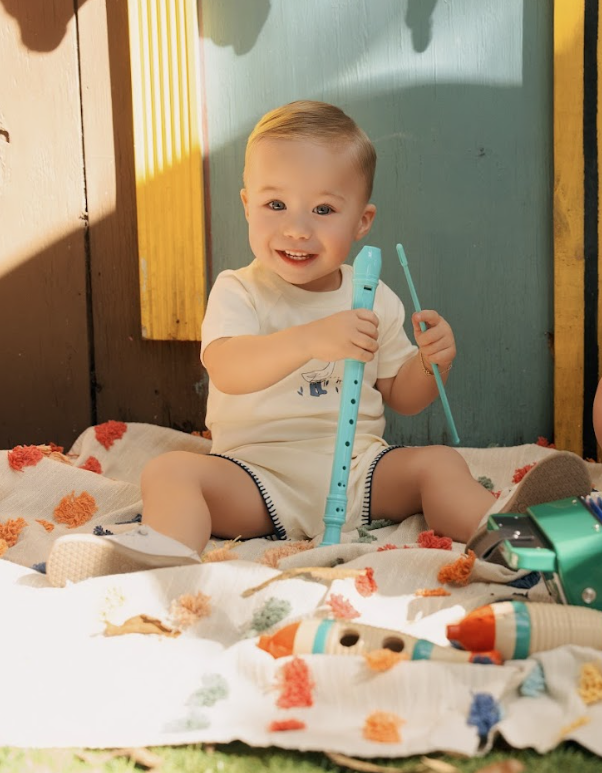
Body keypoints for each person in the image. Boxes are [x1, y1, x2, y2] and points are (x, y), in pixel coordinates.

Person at [46, 100, 592, 586]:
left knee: (438, 463)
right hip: (256, 477)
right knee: (170, 472)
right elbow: (230, 369)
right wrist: (309, 338)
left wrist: (431, 365)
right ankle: (161, 558)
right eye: (275, 205)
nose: (297, 229)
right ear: (246, 205)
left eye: (324, 210)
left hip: (361, 471)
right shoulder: (239, 290)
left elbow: (400, 397)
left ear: (362, 221)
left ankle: (507, 534)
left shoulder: (372, 294)